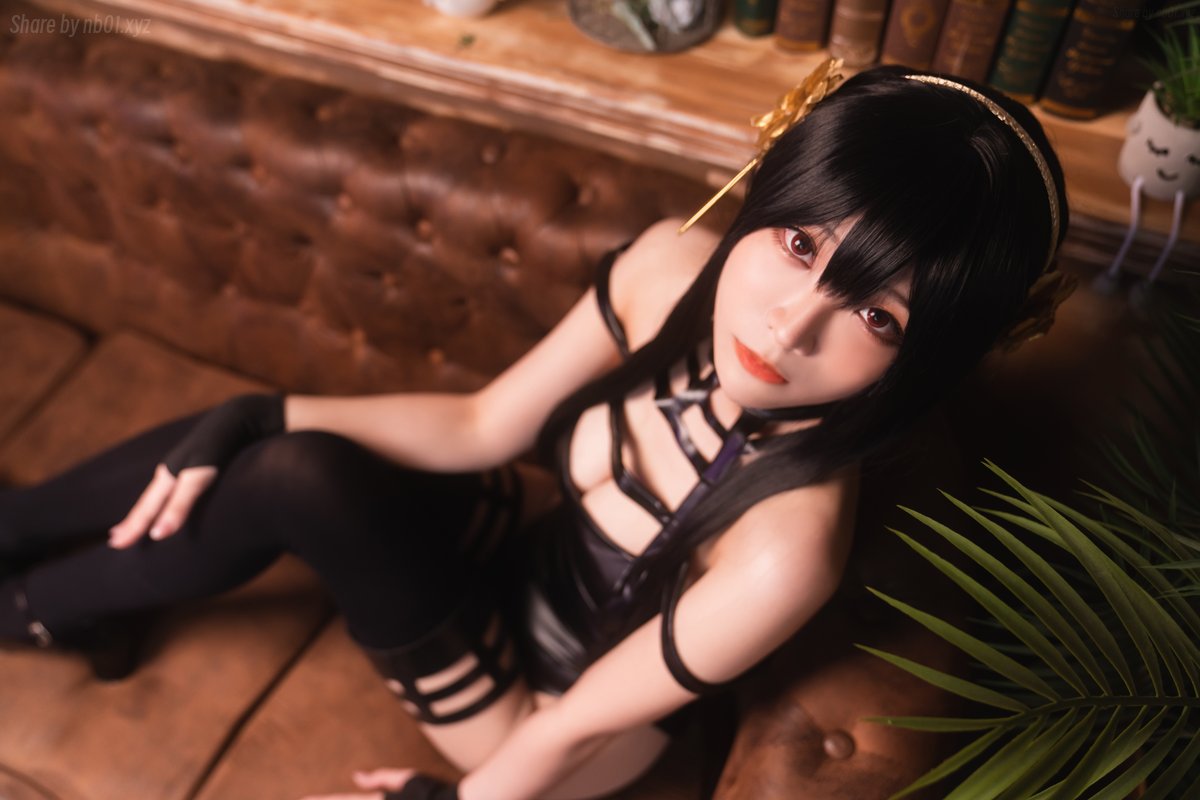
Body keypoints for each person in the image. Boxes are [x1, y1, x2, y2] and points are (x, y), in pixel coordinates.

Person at [0, 58, 1074, 800]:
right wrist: (247, 411)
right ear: (766, 190)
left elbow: (572, 729)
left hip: (540, 711)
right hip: (523, 548)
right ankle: (22, 540)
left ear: (922, 358)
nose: (789, 327)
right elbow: (481, 422)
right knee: (268, 443)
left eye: (877, 316)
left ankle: (30, 610)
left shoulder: (788, 548)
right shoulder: (669, 267)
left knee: (300, 476)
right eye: (798, 245)